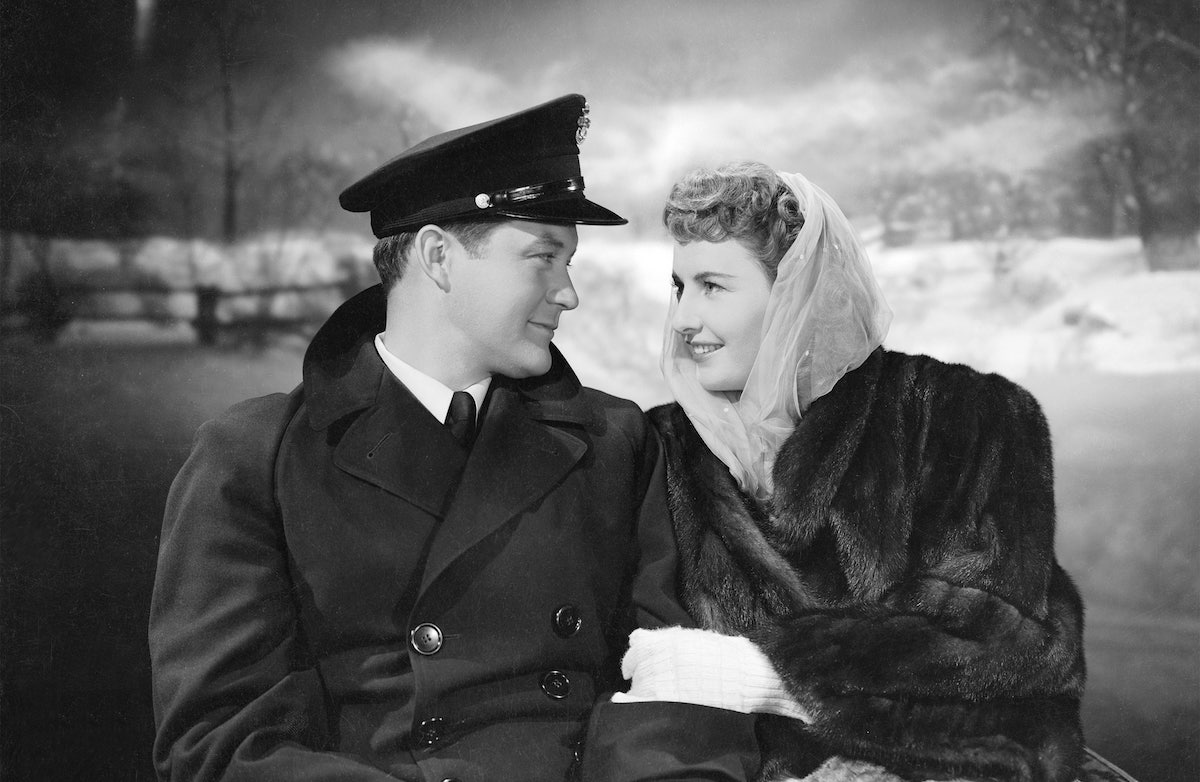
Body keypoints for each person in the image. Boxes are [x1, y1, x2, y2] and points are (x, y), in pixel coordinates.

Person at [148, 96, 761, 782]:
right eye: (542, 257)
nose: (569, 293)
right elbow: (223, 743)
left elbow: (670, 687)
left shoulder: (616, 441)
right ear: (439, 256)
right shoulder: (252, 457)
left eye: (570, 262)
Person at [595, 162, 1087, 782]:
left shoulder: (967, 418)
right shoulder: (660, 448)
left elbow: (1009, 646)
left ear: (798, 294)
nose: (685, 318)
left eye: (714, 287)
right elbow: (638, 670)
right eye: (679, 287)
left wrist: (762, 671)